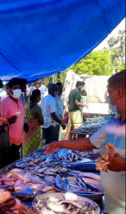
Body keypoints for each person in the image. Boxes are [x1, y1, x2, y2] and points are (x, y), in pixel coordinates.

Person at [44, 70, 125, 214]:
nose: (108, 97)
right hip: (110, 205)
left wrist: (123, 165)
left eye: (109, 92)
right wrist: (60, 144)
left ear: (120, 92)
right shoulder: (114, 121)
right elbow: (90, 143)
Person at [0, 78, 26, 169]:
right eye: (15, 88)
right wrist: (9, 121)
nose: (17, 90)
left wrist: (25, 124)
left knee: (15, 169)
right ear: (10, 89)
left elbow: (22, 117)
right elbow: (0, 123)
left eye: (19, 88)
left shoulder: (20, 102)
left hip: (18, 142)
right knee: (4, 169)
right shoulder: (5, 103)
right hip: (8, 144)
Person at [23, 89, 43, 156]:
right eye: (40, 96)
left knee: (27, 149)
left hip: (27, 131)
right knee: (33, 151)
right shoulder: (37, 108)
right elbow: (42, 122)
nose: (40, 98)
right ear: (37, 97)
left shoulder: (27, 104)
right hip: (35, 132)